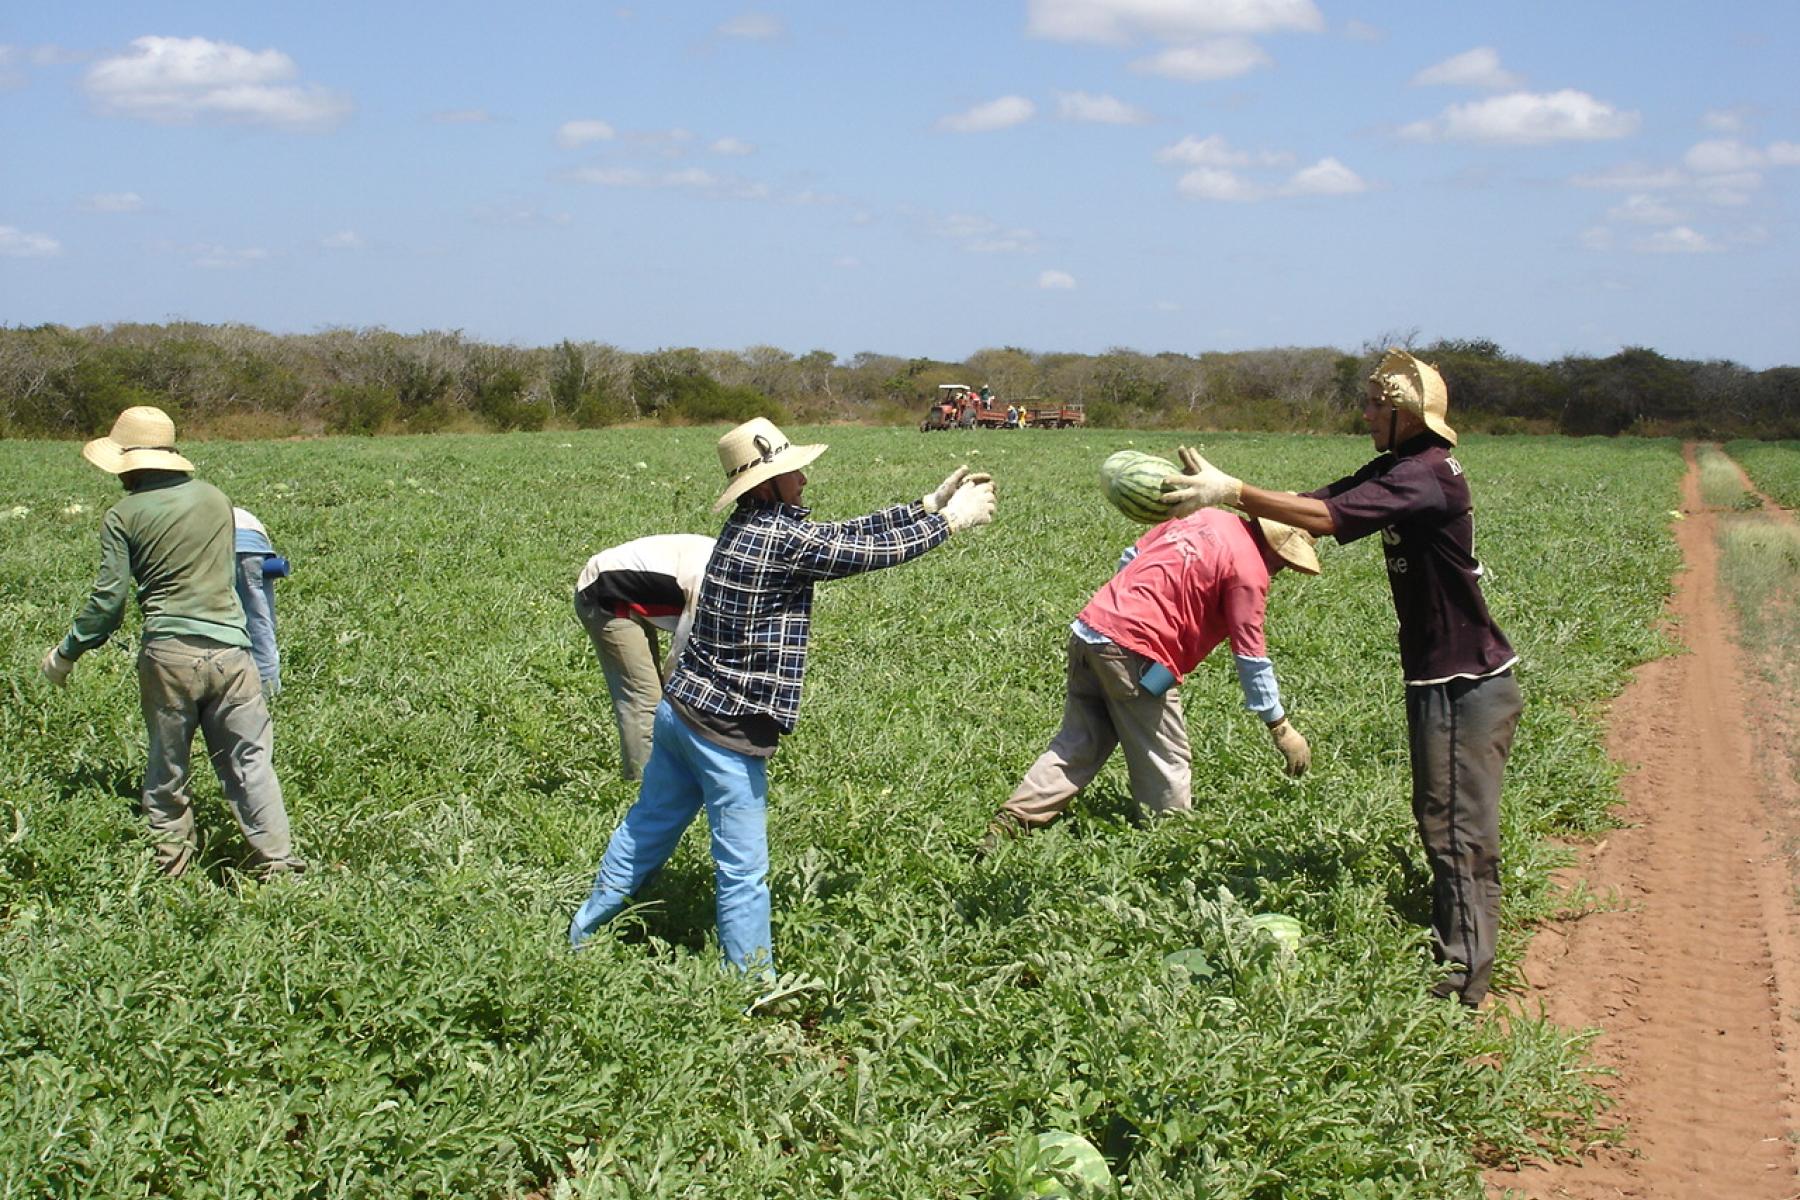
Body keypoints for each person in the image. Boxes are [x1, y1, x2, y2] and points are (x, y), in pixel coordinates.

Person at [569, 417, 997, 972]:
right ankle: (749, 981)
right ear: (766, 484)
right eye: (791, 469)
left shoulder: (751, 527)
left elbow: (838, 537)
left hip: (680, 713)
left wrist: (921, 507)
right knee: (743, 866)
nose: (803, 476)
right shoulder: (780, 539)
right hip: (724, 730)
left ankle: (582, 932)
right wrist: (949, 525)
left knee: (647, 823)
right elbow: (863, 554)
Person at [1162, 348, 1520, 1008]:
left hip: (1464, 682)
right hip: (1444, 677)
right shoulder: (1399, 467)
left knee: (1457, 827)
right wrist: (1224, 512)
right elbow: (1315, 504)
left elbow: (1325, 521)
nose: (1362, 413)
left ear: (1400, 413)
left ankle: (1461, 983)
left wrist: (1235, 489)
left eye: (1371, 405)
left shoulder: (1427, 477)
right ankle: (1458, 941)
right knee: (1439, 814)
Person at [40, 406, 304, 879]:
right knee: (251, 763)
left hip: (169, 656)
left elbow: (107, 603)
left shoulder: (123, 515)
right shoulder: (215, 499)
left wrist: (66, 654)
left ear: (130, 464)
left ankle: (170, 872)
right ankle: (279, 868)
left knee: (167, 767)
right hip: (232, 652)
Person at [983, 508, 1317, 849]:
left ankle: (1009, 824)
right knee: (1167, 760)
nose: (1281, 569)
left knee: (1080, 742)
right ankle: (1167, 849)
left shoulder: (1207, 518)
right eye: (1285, 561)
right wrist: (1280, 726)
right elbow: (1250, 655)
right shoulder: (1251, 572)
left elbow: (1131, 556)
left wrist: (1125, 612)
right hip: (1136, 653)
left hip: (1090, 630)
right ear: (1275, 545)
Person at [573, 533, 714, 781]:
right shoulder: (708, 583)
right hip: (603, 593)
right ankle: (644, 787)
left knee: (658, 695)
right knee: (644, 697)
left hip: (631, 590)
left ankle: (669, 773)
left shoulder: (736, 568)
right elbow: (681, 658)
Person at [232, 506, 288, 697]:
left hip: (220, 544)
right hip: (256, 547)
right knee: (260, 622)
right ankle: (268, 689)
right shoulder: (241, 513)